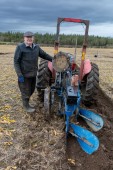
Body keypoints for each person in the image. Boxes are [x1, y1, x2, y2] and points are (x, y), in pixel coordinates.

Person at [14, 31, 52, 113]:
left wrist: (54, 59)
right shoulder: (20, 47)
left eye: (31, 37)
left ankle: (27, 103)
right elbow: (16, 62)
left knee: (31, 90)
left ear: (33, 38)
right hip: (24, 75)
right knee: (25, 91)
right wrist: (19, 74)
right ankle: (26, 106)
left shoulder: (36, 47)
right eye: (27, 37)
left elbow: (44, 55)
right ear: (24, 38)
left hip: (33, 74)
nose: (29, 39)